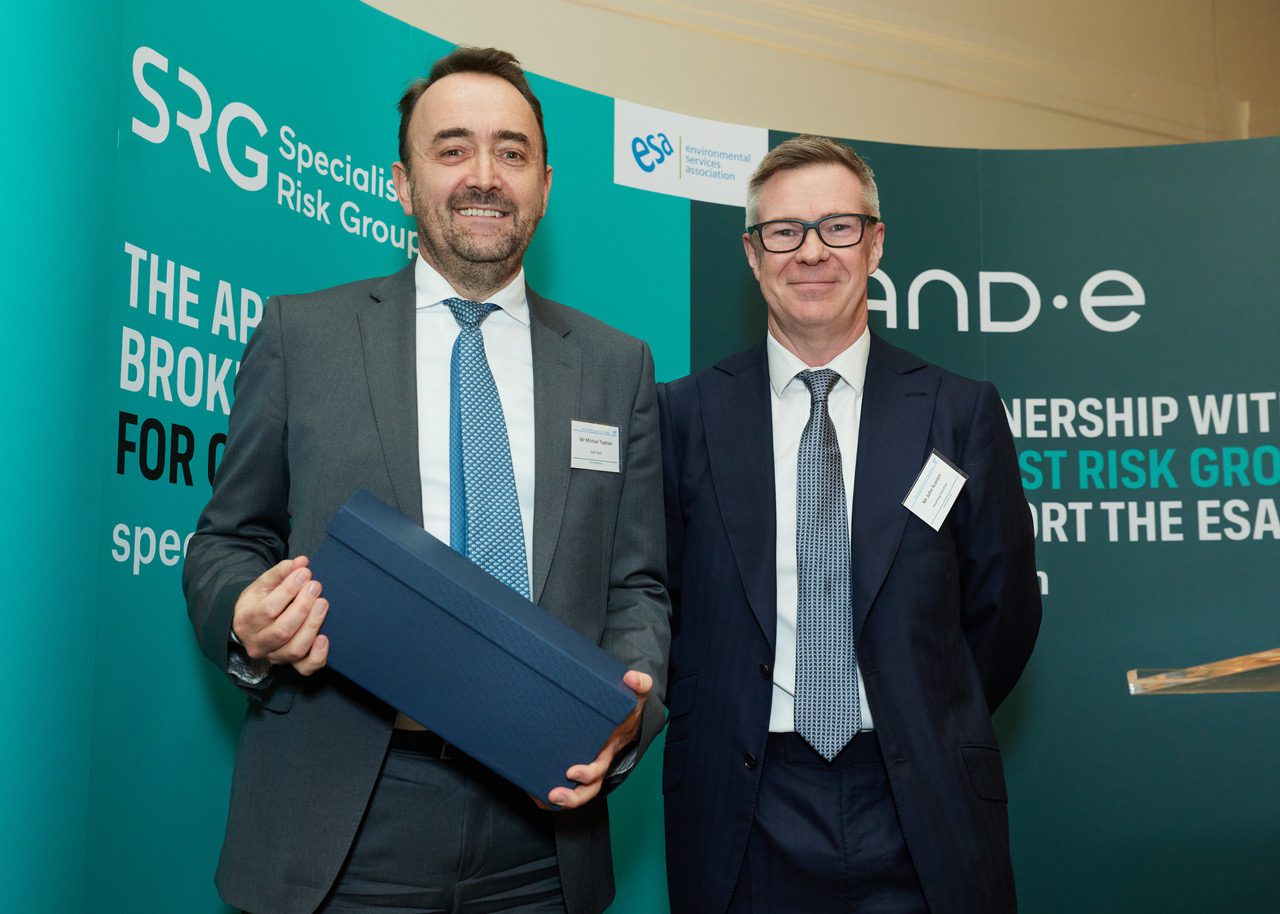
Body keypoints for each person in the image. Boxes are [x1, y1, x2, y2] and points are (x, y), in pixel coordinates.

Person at [183, 46, 669, 914]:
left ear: (545, 186)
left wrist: (628, 709)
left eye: (511, 152)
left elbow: (637, 585)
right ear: (404, 185)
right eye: (453, 149)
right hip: (345, 812)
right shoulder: (302, 336)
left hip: (544, 828)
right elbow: (228, 539)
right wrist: (243, 612)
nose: (484, 175)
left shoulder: (615, 366)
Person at [659, 135, 1041, 914]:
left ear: (875, 243)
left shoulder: (959, 411)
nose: (812, 252)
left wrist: (925, 712)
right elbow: (659, 602)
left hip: (922, 798)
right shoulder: (683, 415)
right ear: (752, 254)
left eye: (838, 226)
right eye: (784, 231)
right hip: (745, 804)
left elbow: (1002, 612)